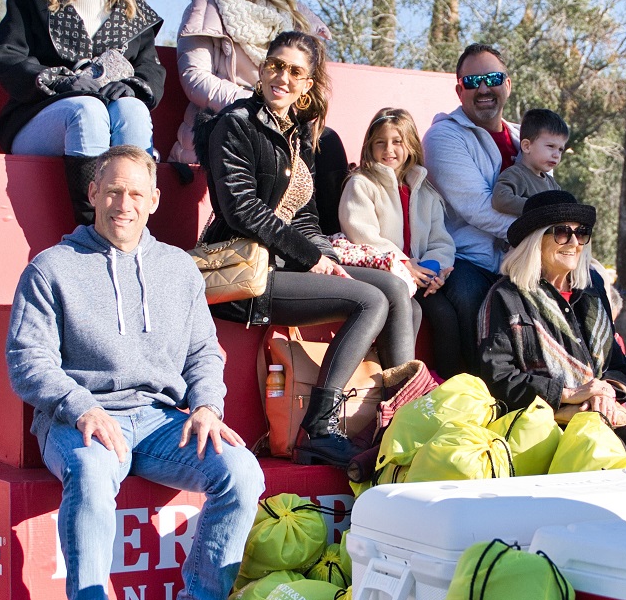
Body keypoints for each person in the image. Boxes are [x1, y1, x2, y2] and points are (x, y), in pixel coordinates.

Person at [7, 145, 263, 600]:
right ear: (93, 194)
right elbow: (27, 364)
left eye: (135, 193)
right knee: (95, 471)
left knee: (241, 470)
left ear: (153, 201)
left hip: (158, 419)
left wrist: (206, 406)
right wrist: (81, 407)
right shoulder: (50, 268)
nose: (124, 203)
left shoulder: (178, 269)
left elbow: (204, 353)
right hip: (79, 418)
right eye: (113, 190)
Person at [196, 32, 415, 467]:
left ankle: (401, 419)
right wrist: (313, 259)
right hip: (247, 272)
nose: (282, 77)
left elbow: (307, 216)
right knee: (369, 300)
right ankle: (320, 428)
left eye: (296, 71)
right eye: (275, 65)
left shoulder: (297, 135)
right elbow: (243, 210)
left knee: (393, 288)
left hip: (288, 264)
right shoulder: (235, 123)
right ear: (261, 69)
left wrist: (328, 260)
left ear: (308, 84)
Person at [0, 0, 165, 226]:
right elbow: (7, 56)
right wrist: (59, 81)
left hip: (110, 116)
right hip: (43, 118)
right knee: (88, 110)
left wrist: (129, 87)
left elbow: (151, 69)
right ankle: (93, 232)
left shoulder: (131, 6)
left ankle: (134, 231)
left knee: (133, 110)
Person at [479, 190, 626, 468]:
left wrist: (607, 394)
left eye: (581, 232)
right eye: (562, 232)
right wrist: (567, 399)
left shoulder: (594, 291)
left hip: (597, 415)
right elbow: (497, 377)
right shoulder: (506, 296)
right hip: (538, 425)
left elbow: (617, 364)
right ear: (535, 240)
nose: (574, 242)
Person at [170, 0, 331, 179]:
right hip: (227, 122)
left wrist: (281, 110)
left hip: (283, 122)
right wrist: (257, 106)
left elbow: (312, 84)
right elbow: (194, 79)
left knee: (328, 147)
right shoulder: (206, 4)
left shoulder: (291, 12)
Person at [422, 43, 519, 376]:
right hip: (465, 257)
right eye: (472, 81)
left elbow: (546, 198)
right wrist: (538, 234)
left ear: (507, 83)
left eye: (492, 78)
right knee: (472, 297)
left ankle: (599, 390)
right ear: (459, 89)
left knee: (589, 282)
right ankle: (480, 395)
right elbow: (476, 207)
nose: (483, 88)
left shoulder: (527, 140)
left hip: (518, 257)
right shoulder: (443, 137)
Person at [338, 108, 456, 330]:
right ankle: (397, 365)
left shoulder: (426, 192)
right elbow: (362, 235)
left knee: (445, 315)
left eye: (397, 141)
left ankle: (446, 367)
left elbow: (440, 241)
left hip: (416, 278)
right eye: (380, 142)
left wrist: (434, 271)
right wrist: (403, 263)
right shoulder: (361, 184)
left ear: (410, 145)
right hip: (381, 275)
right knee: (412, 311)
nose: (389, 150)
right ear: (370, 147)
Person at [491, 108, 570, 218]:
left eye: (560, 149)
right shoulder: (516, 174)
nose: (556, 155)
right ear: (527, 146)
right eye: (550, 146)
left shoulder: (551, 182)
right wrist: (537, 207)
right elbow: (500, 199)